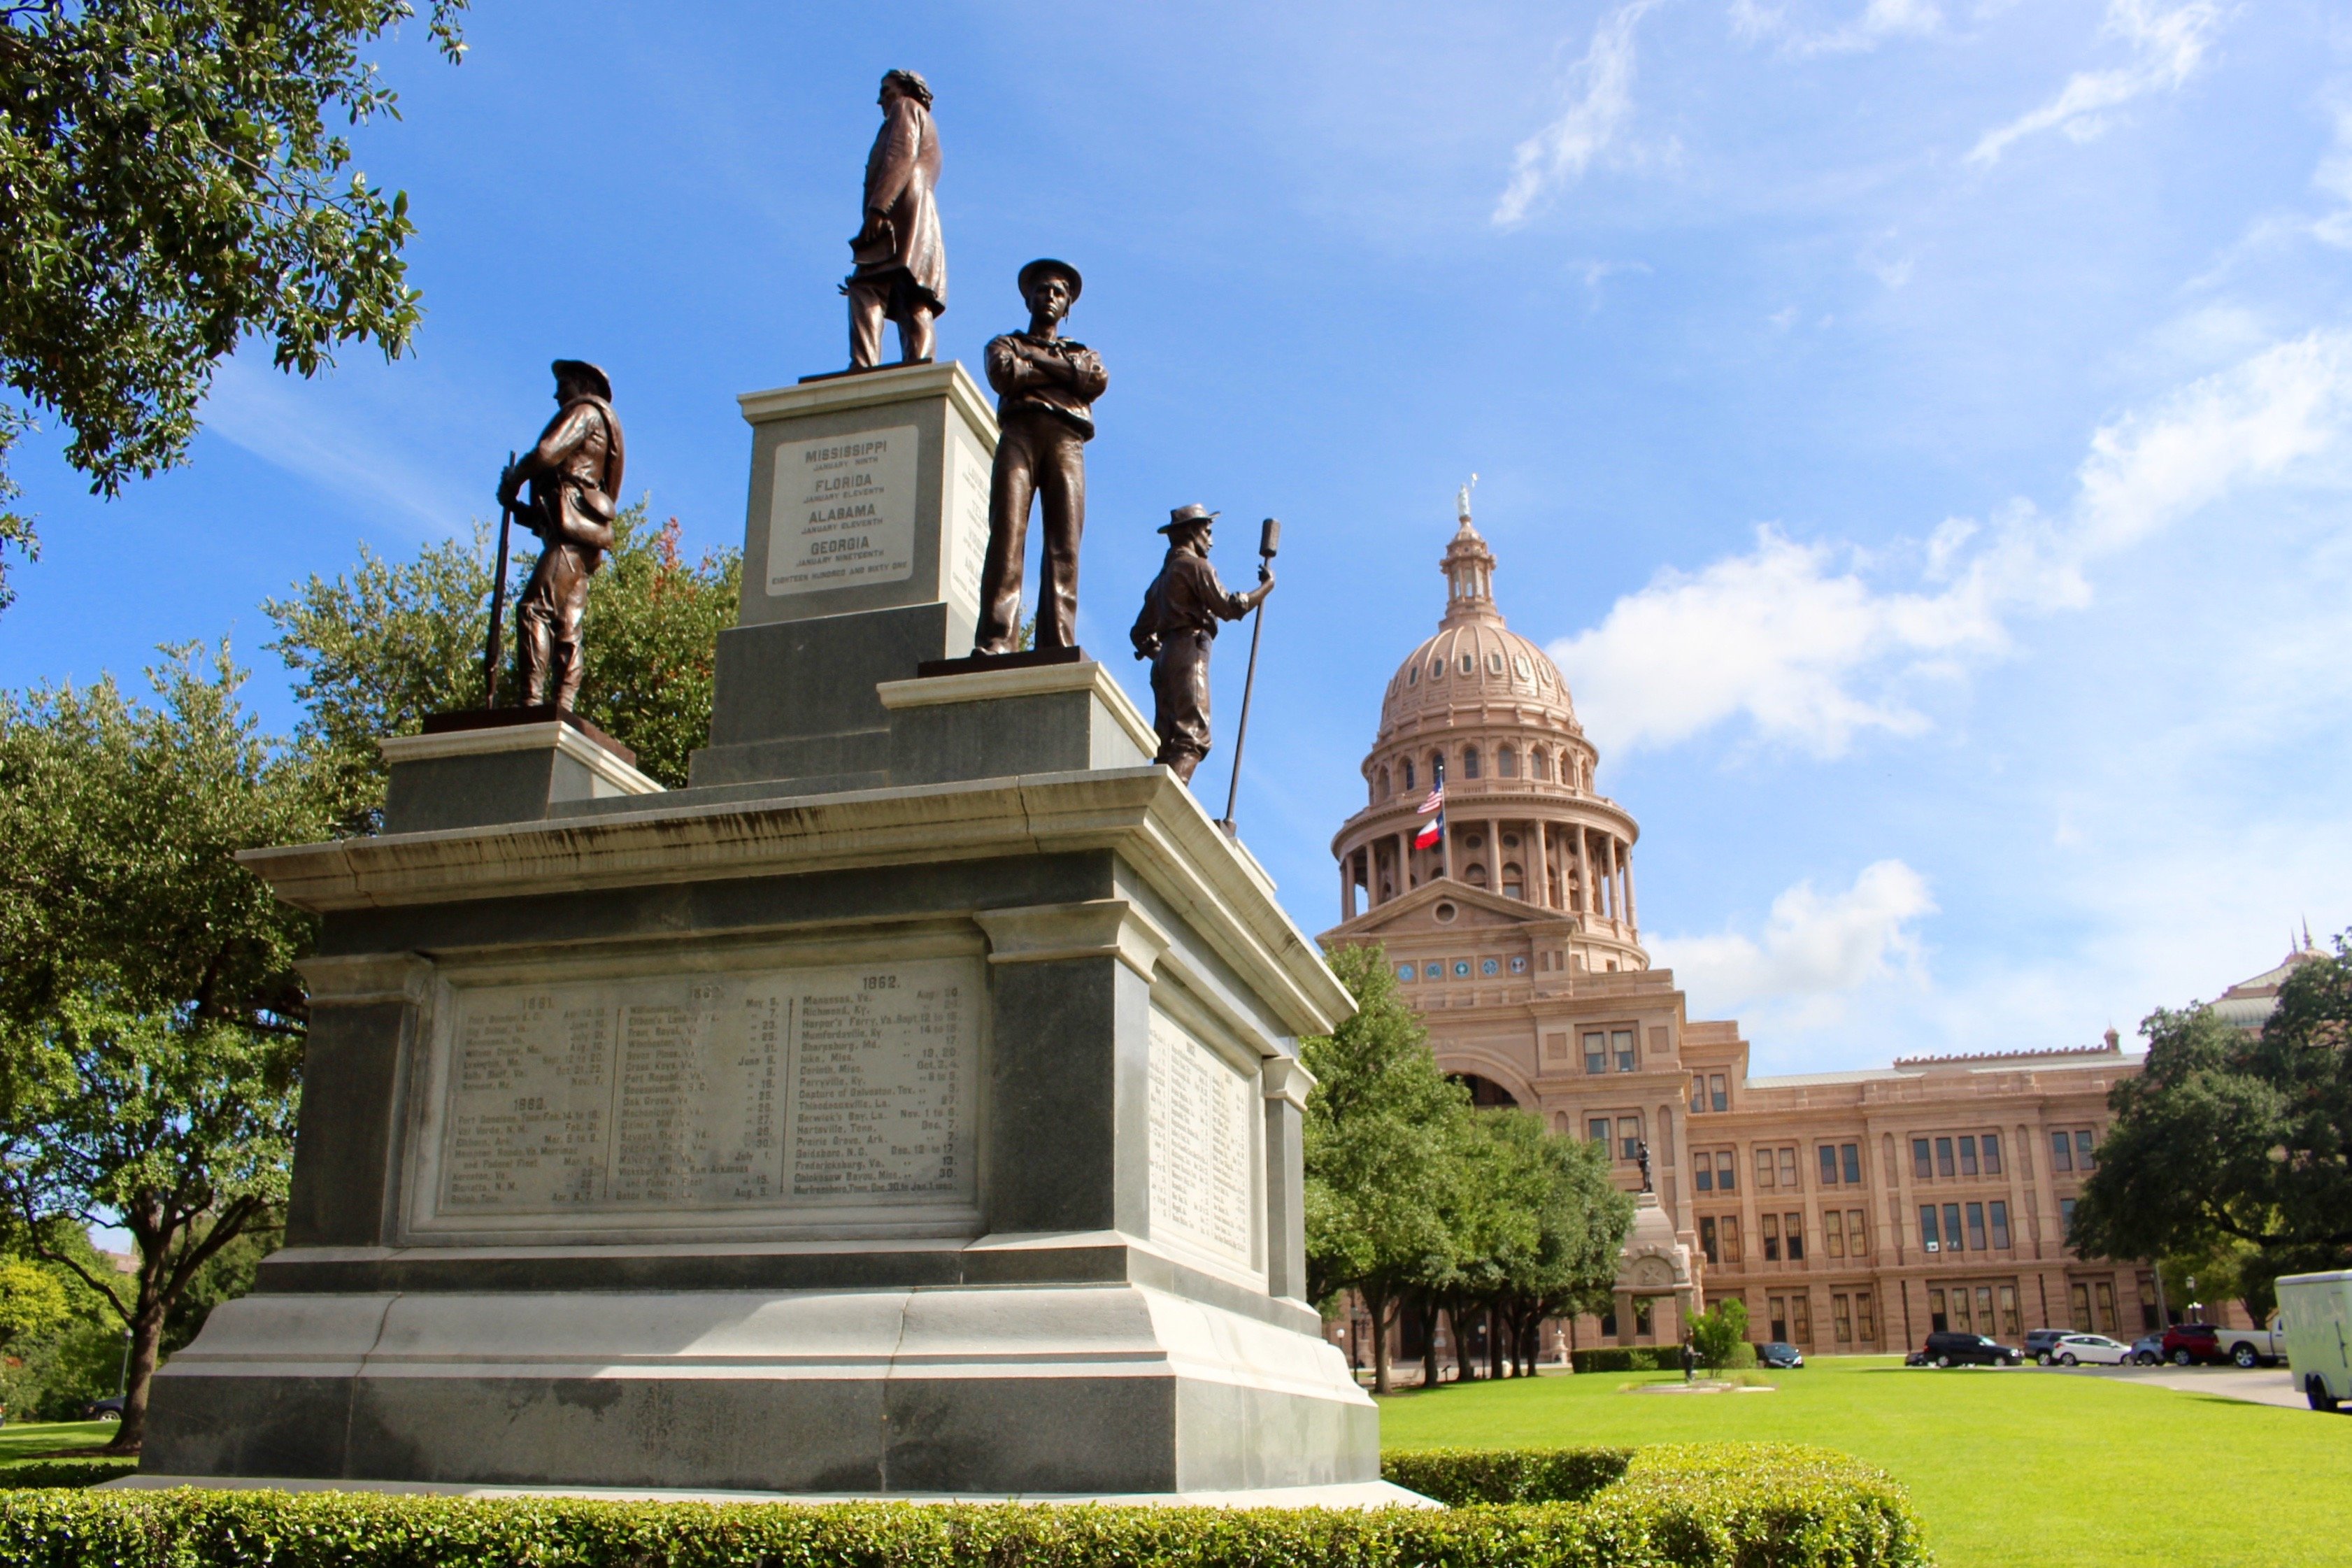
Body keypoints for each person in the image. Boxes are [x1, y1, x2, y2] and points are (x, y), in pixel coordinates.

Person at [971, 259, 1108, 653]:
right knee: (1007, 536)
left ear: (1067, 308)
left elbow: (1095, 379)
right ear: (1028, 299)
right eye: (1043, 290)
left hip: (1067, 443)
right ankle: (998, 639)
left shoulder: (1084, 352)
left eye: (1058, 293)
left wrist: (1036, 365)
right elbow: (1004, 374)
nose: (1049, 297)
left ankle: (1057, 643)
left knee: (1064, 544)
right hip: (1020, 436)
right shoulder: (1004, 344)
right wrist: (1068, 374)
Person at [497, 360, 625, 712]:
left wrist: (515, 477)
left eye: (563, 385)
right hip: (578, 538)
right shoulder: (592, 430)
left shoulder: (586, 412)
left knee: (534, 610)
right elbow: (547, 519)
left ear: (584, 384)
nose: (556, 394)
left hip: (572, 539)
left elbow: (546, 453)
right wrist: (516, 507)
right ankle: (563, 705)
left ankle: (532, 702)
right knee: (569, 627)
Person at [1130, 504, 1274, 783]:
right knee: (1193, 735)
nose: (1211, 539)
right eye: (1207, 532)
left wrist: (1164, 656)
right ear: (1192, 533)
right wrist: (1266, 588)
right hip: (1189, 650)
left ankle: (1153, 802)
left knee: (1166, 741)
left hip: (1166, 661)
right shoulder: (1195, 567)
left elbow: (1140, 634)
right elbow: (1231, 606)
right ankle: (1164, 806)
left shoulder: (1161, 580)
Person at [844, 70, 946, 370]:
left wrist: (878, 209)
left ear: (907, 90)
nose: (881, 100)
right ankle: (919, 367)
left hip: (901, 207)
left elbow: (900, 156)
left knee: (866, 285)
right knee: (913, 296)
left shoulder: (905, 109)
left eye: (886, 90)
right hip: (921, 213)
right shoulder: (930, 125)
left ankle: (862, 366)